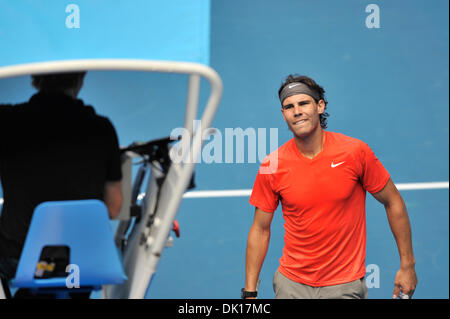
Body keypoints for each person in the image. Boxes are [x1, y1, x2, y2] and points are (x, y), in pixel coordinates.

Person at [242, 74, 417, 299]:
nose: (296, 111)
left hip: (343, 285)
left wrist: (407, 265)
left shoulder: (355, 152)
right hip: (290, 285)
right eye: (289, 106)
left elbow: (393, 201)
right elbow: (260, 228)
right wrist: (249, 291)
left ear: (320, 106)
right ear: (283, 114)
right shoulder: (271, 165)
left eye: (304, 103)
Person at [0, 72, 123, 296]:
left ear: (35, 78)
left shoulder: (6, 121)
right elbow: (114, 207)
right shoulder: (102, 128)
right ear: (81, 80)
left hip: (19, 259)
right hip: (81, 262)